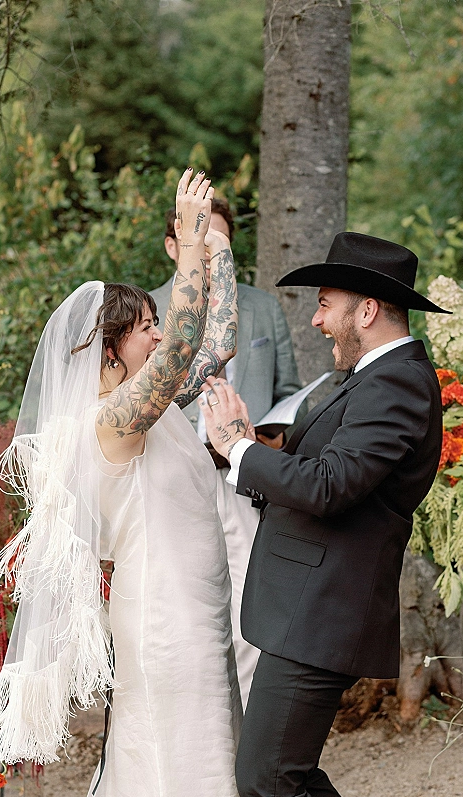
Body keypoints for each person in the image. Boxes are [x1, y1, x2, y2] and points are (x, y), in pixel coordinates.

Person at [0, 168, 264, 797]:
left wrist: (217, 242)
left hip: (192, 615)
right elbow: (184, 344)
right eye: (145, 328)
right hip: (162, 626)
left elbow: (216, 337)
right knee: (182, 761)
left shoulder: (153, 405)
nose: (159, 335)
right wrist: (189, 242)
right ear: (111, 349)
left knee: (201, 757)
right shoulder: (114, 421)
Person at [200, 231, 450, 797]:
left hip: (324, 608)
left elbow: (333, 486)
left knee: (267, 779)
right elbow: (321, 469)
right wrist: (252, 452)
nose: (315, 319)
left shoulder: (397, 383)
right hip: (309, 603)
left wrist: (240, 449)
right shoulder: (369, 377)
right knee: (293, 774)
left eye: (325, 303)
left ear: (365, 310)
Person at [151, 199, 300, 706]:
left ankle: (251, 724)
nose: (212, 259)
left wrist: (272, 440)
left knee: (250, 601)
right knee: (182, 601)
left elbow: (289, 393)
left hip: (244, 478)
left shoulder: (263, 306)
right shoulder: (148, 316)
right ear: (174, 247)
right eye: (200, 246)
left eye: (219, 246)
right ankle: (197, 710)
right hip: (173, 479)